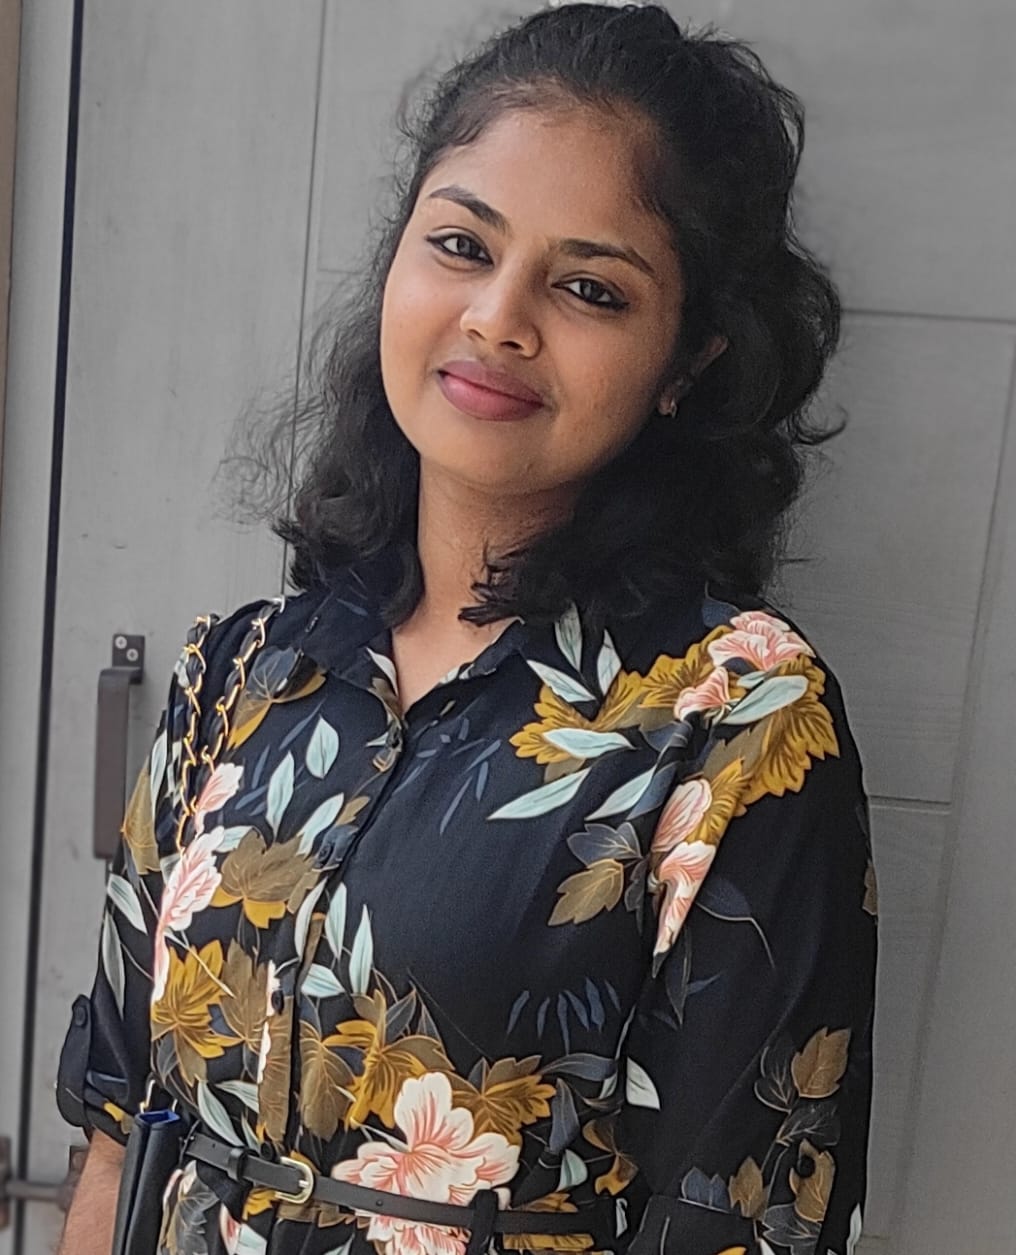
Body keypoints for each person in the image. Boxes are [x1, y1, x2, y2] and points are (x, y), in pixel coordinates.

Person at [54, 4, 878, 1253]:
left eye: (589, 287)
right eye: (460, 244)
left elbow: (749, 1220)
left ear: (685, 361)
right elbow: (121, 1128)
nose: (497, 316)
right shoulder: (239, 670)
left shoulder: (735, 719)